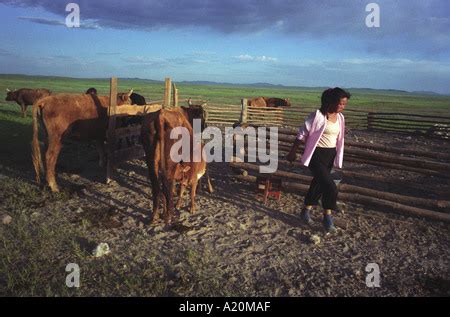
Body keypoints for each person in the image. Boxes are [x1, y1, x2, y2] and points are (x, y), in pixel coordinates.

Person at [286, 87, 351, 232]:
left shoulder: (340, 118)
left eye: (344, 104)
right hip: (316, 154)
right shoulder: (317, 116)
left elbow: (336, 135)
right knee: (330, 186)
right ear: (331, 101)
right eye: (340, 104)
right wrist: (292, 152)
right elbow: (301, 134)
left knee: (318, 183)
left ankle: (305, 210)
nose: (342, 107)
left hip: (330, 154)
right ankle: (327, 216)